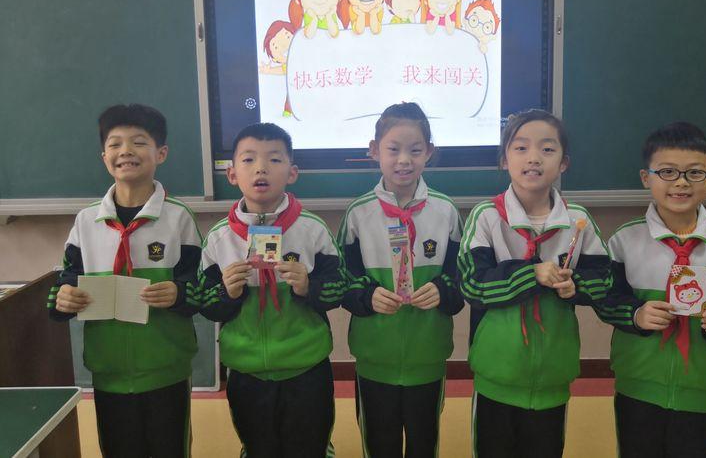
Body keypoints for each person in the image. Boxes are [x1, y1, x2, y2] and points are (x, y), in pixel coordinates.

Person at [49, 103, 202, 458]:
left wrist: (179, 293)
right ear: (104, 156)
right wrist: (63, 298)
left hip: (166, 369)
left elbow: (201, 289)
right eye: (115, 144)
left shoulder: (179, 218)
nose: (126, 151)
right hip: (108, 371)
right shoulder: (86, 222)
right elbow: (64, 283)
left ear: (161, 153)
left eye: (139, 142)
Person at [458, 108, 611, 458]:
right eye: (521, 148)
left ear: (564, 163)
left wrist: (576, 286)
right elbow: (472, 285)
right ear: (504, 159)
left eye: (547, 149)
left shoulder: (577, 220)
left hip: (553, 376)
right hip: (496, 375)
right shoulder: (487, 217)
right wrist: (531, 273)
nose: (533, 158)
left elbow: (604, 280)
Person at [595, 122, 706, 458]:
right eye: (667, 172)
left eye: (694, 173)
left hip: (702, 389)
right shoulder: (624, 242)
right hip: (638, 386)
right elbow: (605, 301)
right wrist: (636, 314)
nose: (681, 182)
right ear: (645, 178)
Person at [199, 122, 345, 458]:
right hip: (246, 372)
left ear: (292, 172)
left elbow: (339, 288)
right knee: (258, 448)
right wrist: (226, 293)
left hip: (306, 368)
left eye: (274, 159)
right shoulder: (219, 239)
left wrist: (309, 287)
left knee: (309, 448)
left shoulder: (312, 230)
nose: (261, 168)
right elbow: (205, 303)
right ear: (232, 174)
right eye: (249, 159)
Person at [340, 102, 464, 457]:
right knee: (379, 445)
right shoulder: (358, 214)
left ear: (430, 152)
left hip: (428, 355)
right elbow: (343, 281)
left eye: (415, 150)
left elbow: (461, 279)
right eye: (393, 149)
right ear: (374, 150)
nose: (404, 160)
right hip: (374, 356)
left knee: (424, 444)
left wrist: (442, 290)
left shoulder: (446, 212)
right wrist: (367, 297)